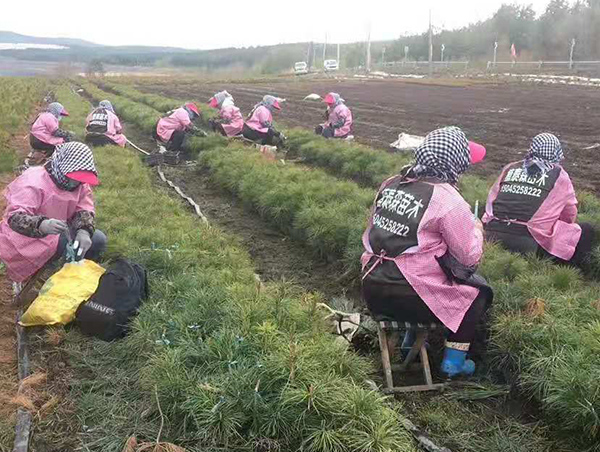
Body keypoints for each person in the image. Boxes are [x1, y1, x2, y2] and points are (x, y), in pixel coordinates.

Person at [361, 126, 492, 378]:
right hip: (409, 295)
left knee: (422, 272)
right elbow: (469, 257)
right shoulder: (447, 198)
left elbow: (373, 230)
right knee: (476, 294)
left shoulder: (392, 183)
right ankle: (453, 364)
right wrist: (477, 229)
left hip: (373, 286)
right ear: (455, 161)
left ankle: (409, 344)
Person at [483, 133, 596, 270]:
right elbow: (569, 214)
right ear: (556, 152)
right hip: (528, 243)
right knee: (587, 229)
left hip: (491, 235)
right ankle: (569, 271)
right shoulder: (559, 174)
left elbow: (491, 202)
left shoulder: (511, 167)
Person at [0, 142, 107, 283]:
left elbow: (83, 207)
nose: (76, 182)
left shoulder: (79, 184)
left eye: (80, 178)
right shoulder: (34, 181)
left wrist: (84, 230)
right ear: (62, 166)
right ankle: (54, 272)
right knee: (64, 242)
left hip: (58, 230)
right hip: (27, 238)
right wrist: (42, 225)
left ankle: (74, 279)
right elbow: (15, 218)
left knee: (98, 239)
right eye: (74, 176)